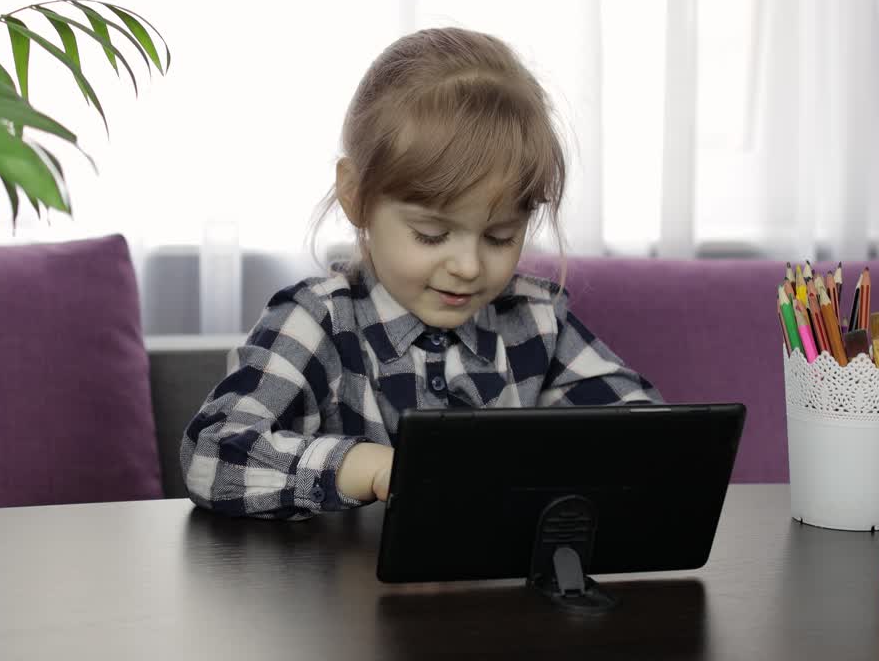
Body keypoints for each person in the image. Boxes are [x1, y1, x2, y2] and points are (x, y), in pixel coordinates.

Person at [180, 27, 662, 520]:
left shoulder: (536, 321)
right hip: (345, 596)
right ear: (356, 196)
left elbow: (655, 441)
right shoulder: (316, 320)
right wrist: (366, 467)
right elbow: (210, 456)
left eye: (500, 237)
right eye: (432, 235)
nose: (470, 267)